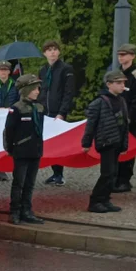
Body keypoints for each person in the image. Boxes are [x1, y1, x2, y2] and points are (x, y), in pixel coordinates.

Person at [82, 71, 130, 213]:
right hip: (106, 142)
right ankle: (95, 201)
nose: (122, 86)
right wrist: (86, 143)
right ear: (109, 84)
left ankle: (105, 199)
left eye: (123, 83)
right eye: (118, 83)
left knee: (113, 173)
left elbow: (125, 125)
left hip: (117, 141)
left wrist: (124, 144)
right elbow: (90, 125)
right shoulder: (99, 102)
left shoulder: (121, 100)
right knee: (107, 173)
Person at [3, 75, 45, 225]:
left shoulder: (39, 108)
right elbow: (9, 130)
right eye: (34, 89)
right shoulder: (16, 109)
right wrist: (10, 148)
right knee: (19, 182)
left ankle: (27, 210)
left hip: (35, 150)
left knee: (30, 183)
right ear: (25, 90)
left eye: (38, 88)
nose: (37, 91)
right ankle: (15, 211)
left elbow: (40, 130)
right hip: (21, 150)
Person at [38, 41, 76, 186]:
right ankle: (55, 172)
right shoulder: (43, 70)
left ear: (59, 52)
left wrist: (62, 112)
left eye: (55, 49)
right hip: (45, 111)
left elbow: (68, 92)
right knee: (48, 142)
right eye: (49, 50)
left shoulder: (66, 69)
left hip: (58, 112)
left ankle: (59, 173)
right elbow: (42, 90)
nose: (52, 52)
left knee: (59, 142)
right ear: (45, 53)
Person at [113, 44, 136, 192]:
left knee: (127, 148)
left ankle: (125, 179)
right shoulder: (117, 73)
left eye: (124, 55)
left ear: (132, 56)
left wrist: (130, 118)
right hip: (116, 117)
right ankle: (116, 177)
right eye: (120, 55)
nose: (121, 57)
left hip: (130, 118)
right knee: (116, 148)